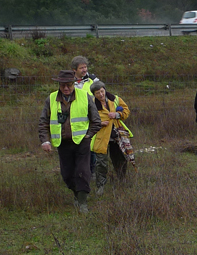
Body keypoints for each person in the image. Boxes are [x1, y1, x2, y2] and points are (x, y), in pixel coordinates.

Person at [39, 70, 102, 213]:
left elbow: (96, 120)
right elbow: (43, 122)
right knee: (67, 175)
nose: (66, 88)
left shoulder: (85, 97)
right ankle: (76, 194)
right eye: (63, 86)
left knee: (82, 171)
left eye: (68, 85)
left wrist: (89, 135)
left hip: (82, 142)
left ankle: (82, 202)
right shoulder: (51, 99)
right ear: (59, 85)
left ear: (73, 84)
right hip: (62, 143)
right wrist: (45, 141)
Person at [89, 80, 134, 195]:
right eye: (98, 93)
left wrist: (117, 115)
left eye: (102, 91)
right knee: (101, 163)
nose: (101, 94)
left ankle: (122, 180)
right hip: (101, 136)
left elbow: (126, 111)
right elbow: (87, 119)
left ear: (105, 89)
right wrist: (99, 123)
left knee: (120, 158)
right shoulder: (91, 104)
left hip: (116, 134)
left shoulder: (115, 99)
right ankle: (100, 186)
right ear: (94, 94)